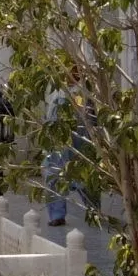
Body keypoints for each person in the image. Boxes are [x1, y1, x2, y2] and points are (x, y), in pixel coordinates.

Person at [42, 83, 99, 226]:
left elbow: (93, 117)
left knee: (85, 175)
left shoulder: (85, 89)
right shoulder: (55, 89)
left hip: (81, 138)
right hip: (57, 141)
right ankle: (57, 215)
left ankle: (94, 211)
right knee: (54, 174)